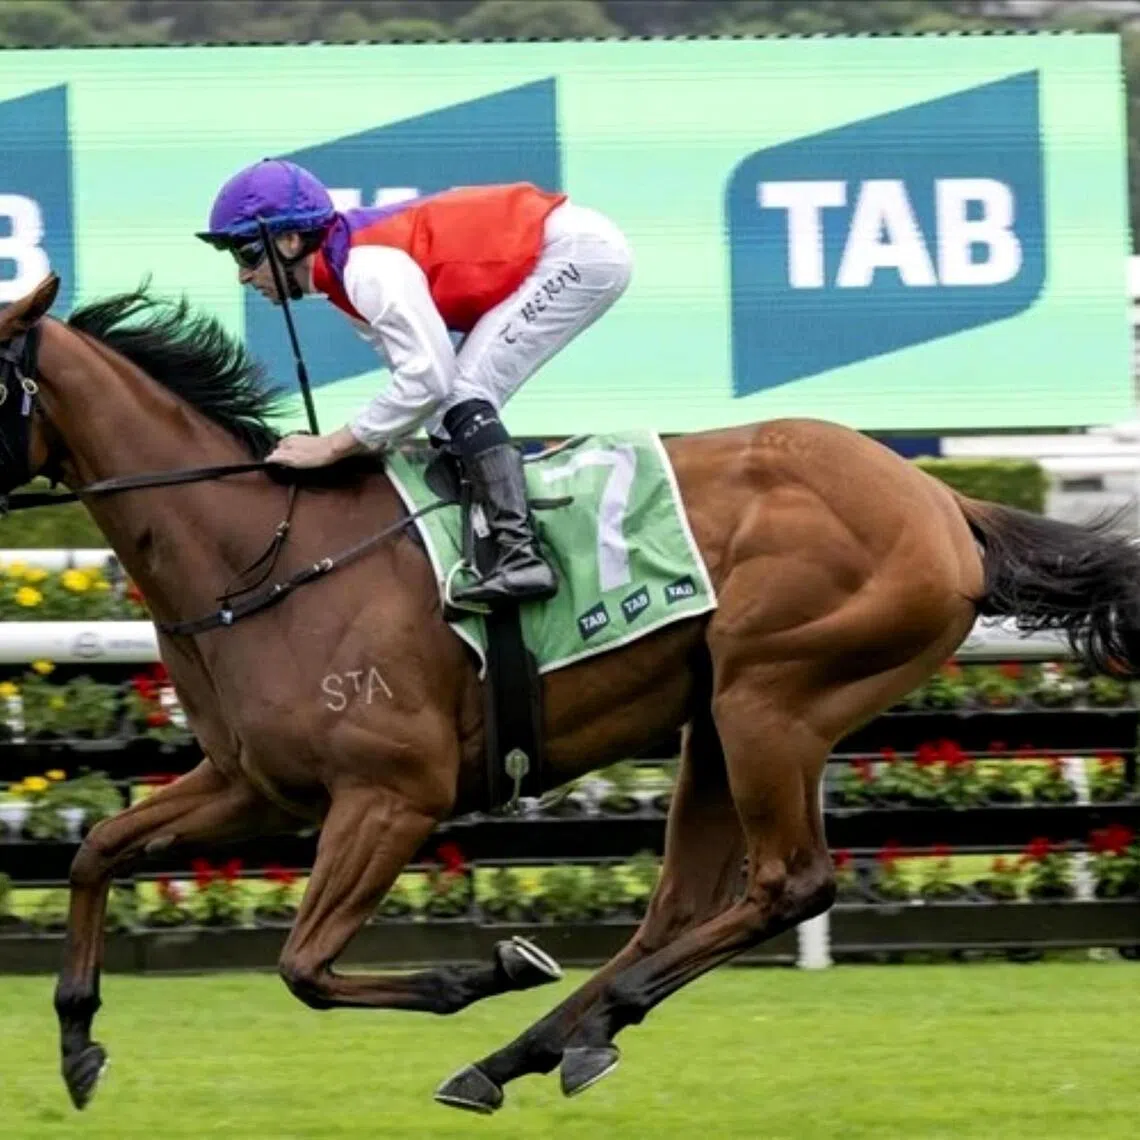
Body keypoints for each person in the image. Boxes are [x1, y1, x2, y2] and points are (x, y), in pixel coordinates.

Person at [197, 158, 633, 606]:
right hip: (566, 248)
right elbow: (417, 397)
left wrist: (333, 445)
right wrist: (358, 444)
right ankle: (491, 545)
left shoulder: (366, 268)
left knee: (462, 394)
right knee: (449, 416)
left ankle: (522, 557)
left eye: (247, 253)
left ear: (289, 241)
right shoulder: (342, 275)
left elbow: (430, 378)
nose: (242, 275)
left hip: (578, 254)